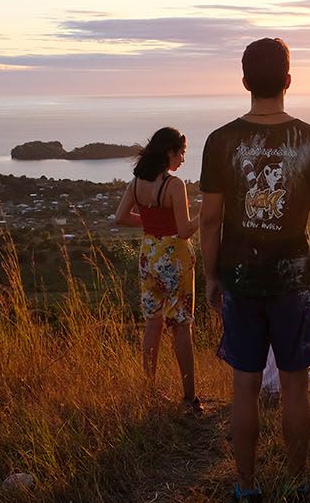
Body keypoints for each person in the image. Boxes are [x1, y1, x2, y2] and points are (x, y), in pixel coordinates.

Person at [200, 37, 310, 502]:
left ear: (245, 83)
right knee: (297, 388)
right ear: (287, 80)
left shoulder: (220, 141)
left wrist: (211, 276)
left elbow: (210, 218)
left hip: (239, 279)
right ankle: (298, 483)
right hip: (293, 280)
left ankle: (246, 486)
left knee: (244, 388)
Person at [114, 127, 201, 414]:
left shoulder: (137, 182)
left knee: (153, 323)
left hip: (148, 255)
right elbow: (185, 230)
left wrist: (151, 225)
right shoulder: (174, 185)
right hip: (174, 257)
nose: (183, 160)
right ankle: (189, 398)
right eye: (181, 153)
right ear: (169, 152)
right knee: (181, 327)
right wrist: (210, 213)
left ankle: (149, 390)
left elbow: (120, 217)